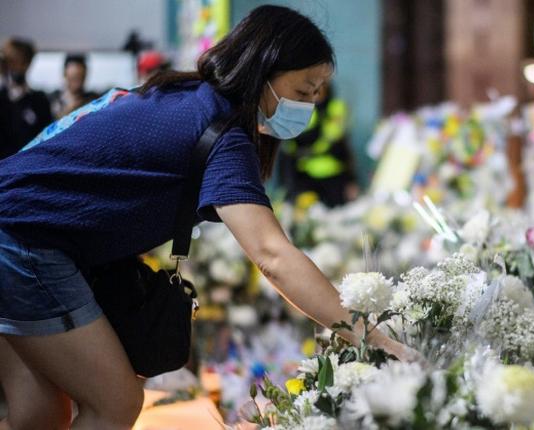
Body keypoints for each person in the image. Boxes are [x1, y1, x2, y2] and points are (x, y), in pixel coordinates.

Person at [0, 6, 414, 429]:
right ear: (264, 70)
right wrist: (374, 338)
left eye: (317, 92)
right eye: (305, 90)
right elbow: (272, 255)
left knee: (39, 414)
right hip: (24, 240)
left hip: (15, 218)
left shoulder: (185, 94)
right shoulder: (221, 133)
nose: (310, 104)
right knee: (116, 402)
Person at [276, 84, 359, 207]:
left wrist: (351, 180)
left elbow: (343, 146)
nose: (317, 93)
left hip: (334, 177)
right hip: (305, 176)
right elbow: (289, 149)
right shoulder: (300, 111)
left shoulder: (336, 108)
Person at [0, 38, 53, 160]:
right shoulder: (2, 99)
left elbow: (46, 137)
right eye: (8, 61)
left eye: (16, 61)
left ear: (27, 63)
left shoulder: (39, 100)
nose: (12, 66)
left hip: (30, 164)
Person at [49, 54, 98, 119]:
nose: (78, 83)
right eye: (74, 78)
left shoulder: (93, 99)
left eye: (81, 78)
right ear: (65, 74)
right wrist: (68, 111)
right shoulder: (53, 99)